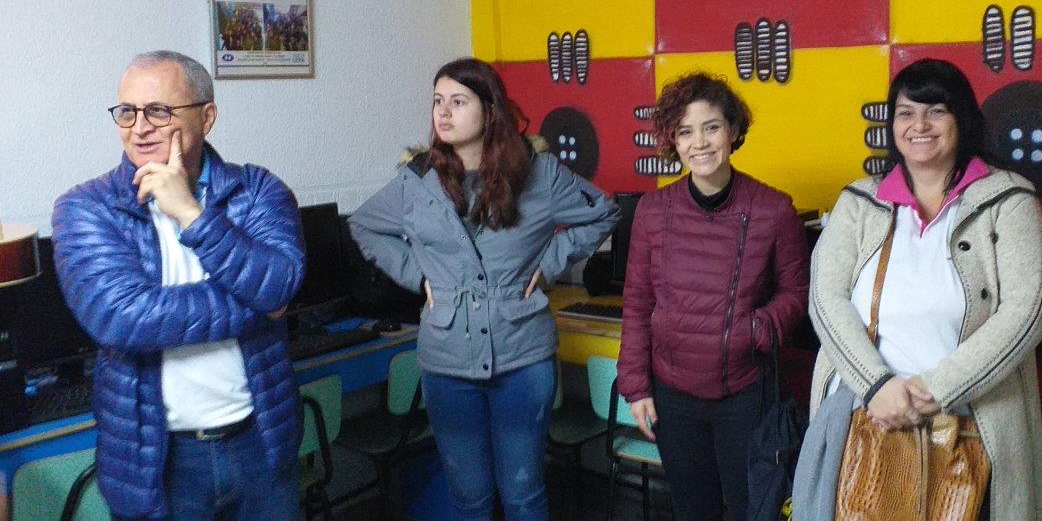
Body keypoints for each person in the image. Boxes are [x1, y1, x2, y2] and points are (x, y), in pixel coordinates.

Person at [348, 57, 619, 521]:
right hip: (447, 362)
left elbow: (604, 212)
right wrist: (418, 276)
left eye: (458, 101)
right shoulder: (417, 180)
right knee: (469, 497)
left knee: (523, 494)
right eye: (438, 101)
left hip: (522, 357)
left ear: (489, 109)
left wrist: (549, 264)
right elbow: (365, 225)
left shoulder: (539, 173)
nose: (443, 112)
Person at [51, 51, 304, 520]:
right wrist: (260, 304)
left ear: (206, 117)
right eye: (127, 112)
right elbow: (122, 318)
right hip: (159, 461)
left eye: (159, 111)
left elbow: (280, 283)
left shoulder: (256, 191)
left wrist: (191, 213)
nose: (139, 128)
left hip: (260, 443)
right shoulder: (87, 207)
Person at [807, 58, 1042, 519]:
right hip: (863, 415)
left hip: (970, 424)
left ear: (962, 119)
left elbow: (1027, 312)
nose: (919, 125)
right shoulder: (859, 201)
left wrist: (935, 390)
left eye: (935, 111)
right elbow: (826, 301)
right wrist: (877, 386)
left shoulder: (1008, 200)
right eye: (905, 113)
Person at [616, 72, 809, 521]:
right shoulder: (652, 211)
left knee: (750, 508)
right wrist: (636, 387)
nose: (699, 143)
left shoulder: (774, 210)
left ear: (733, 130)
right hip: (673, 394)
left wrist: (756, 328)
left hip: (745, 393)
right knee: (692, 509)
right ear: (673, 141)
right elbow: (638, 303)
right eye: (685, 132)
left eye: (711, 127)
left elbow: (797, 293)